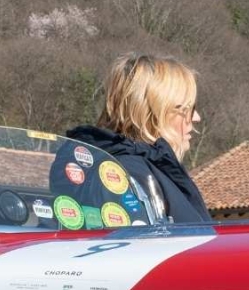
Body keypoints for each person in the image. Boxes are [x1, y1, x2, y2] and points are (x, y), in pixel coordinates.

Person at [55, 53, 211, 225]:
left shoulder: (140, 167)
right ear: (155, 113)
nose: (196, 117)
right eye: (188, 109)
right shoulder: (128, 174)